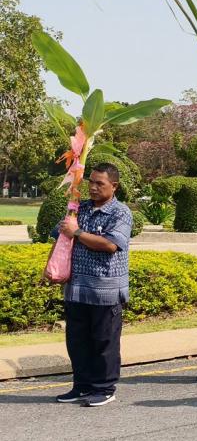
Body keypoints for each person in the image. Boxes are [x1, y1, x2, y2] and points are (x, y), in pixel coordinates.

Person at [52, 163, 134, 407]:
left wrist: (76, 232)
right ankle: (82, 385)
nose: (94, 187)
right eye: (91, 182)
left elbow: (110, 245)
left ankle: (104, 387)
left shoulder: (121, 212)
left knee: (104, 341)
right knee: (77, 341)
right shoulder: (80, 209)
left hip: (105, 289)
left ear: (114, 186)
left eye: (101, 183)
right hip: (76, 287)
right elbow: (59, 235)